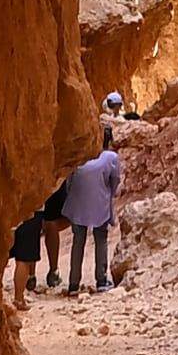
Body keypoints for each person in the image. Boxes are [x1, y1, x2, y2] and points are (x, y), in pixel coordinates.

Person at [54, 98, 130, 294]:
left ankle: (73, 283)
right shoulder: (110, 158)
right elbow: (115, 181)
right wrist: (109, 196)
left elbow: (69, 180)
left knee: (78, 241)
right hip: (99, 204)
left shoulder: (81, 157)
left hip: (78, 204)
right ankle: (101, 280)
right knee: (101, 240)